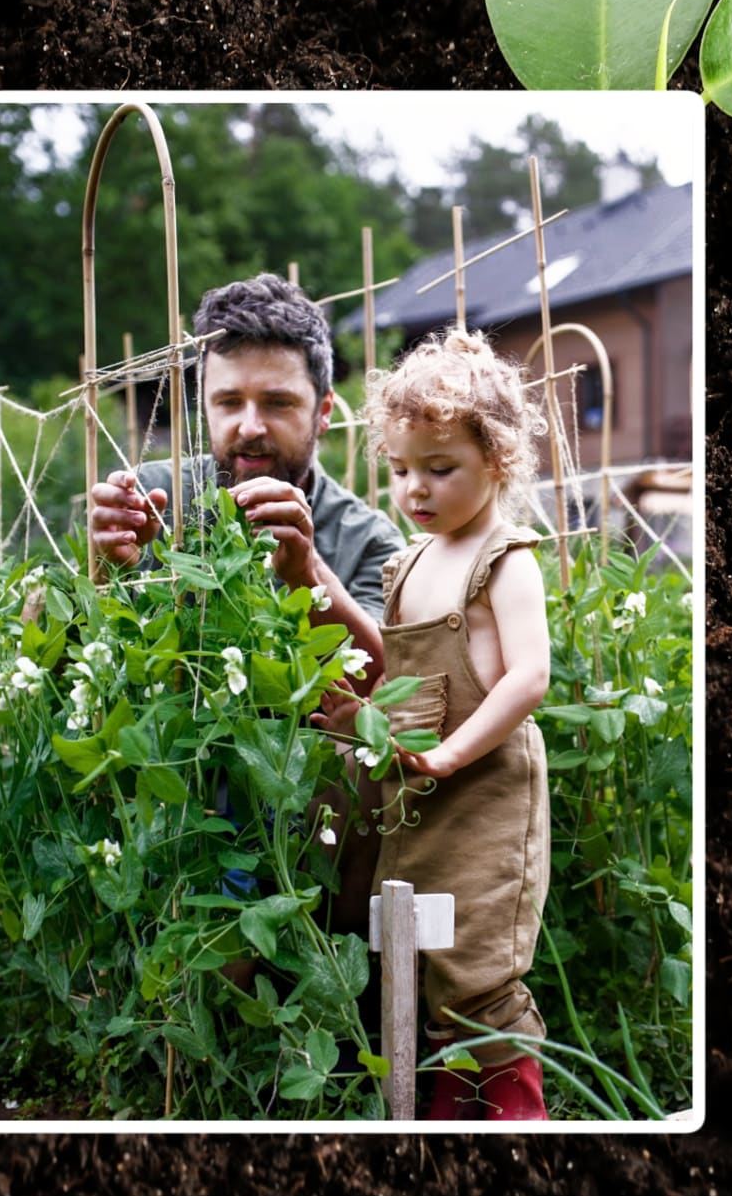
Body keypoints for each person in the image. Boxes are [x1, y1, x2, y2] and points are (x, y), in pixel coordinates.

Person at [363, 328, 552, 1123]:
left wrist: (451, 754)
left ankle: (515, 1111)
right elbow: (401, 675)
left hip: (484, 797)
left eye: (441, 469)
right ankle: (443, 1108)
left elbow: (528, 678)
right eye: (401, 469)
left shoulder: (504, 560)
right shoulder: (409, 562)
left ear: (497, 460)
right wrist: (362, 714)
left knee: (478, 961)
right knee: (419, 953)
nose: (417, 488)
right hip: (417, 799)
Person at [90, 273, 404, 674]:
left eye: (278, 403)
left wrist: (306, 576)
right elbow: (63, 670)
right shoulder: (150, 500)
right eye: (229, 402)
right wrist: (103, 571)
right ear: (205, 406)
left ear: (323, 411)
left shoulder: (368, 542)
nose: (251, 427)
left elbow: (377, 684)